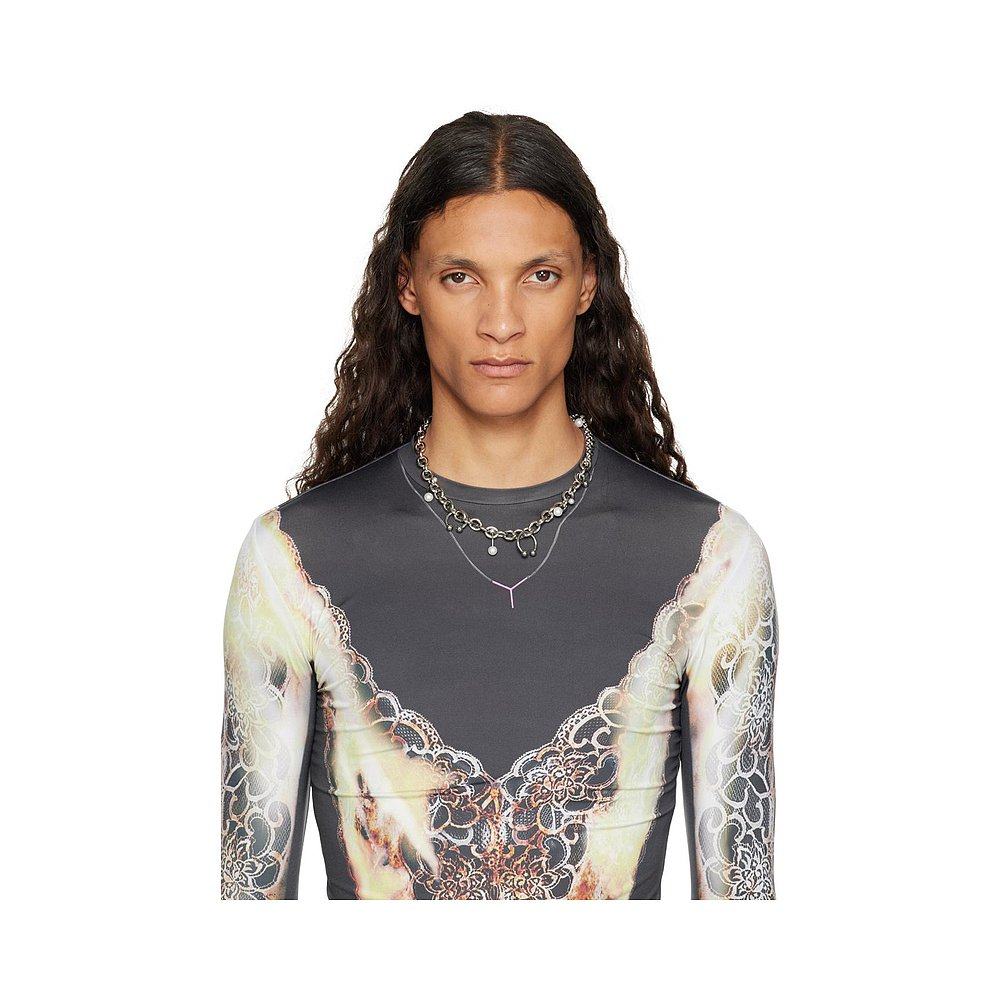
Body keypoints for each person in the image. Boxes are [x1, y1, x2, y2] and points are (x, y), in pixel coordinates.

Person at [220, 111, 778, 901]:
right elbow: (245, 907)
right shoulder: (289, 564)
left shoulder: (712, 562)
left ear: (587, 284)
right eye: (462, 277)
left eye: (539, 275)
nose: (502, 323)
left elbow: (743, 906)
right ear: (408, 286)